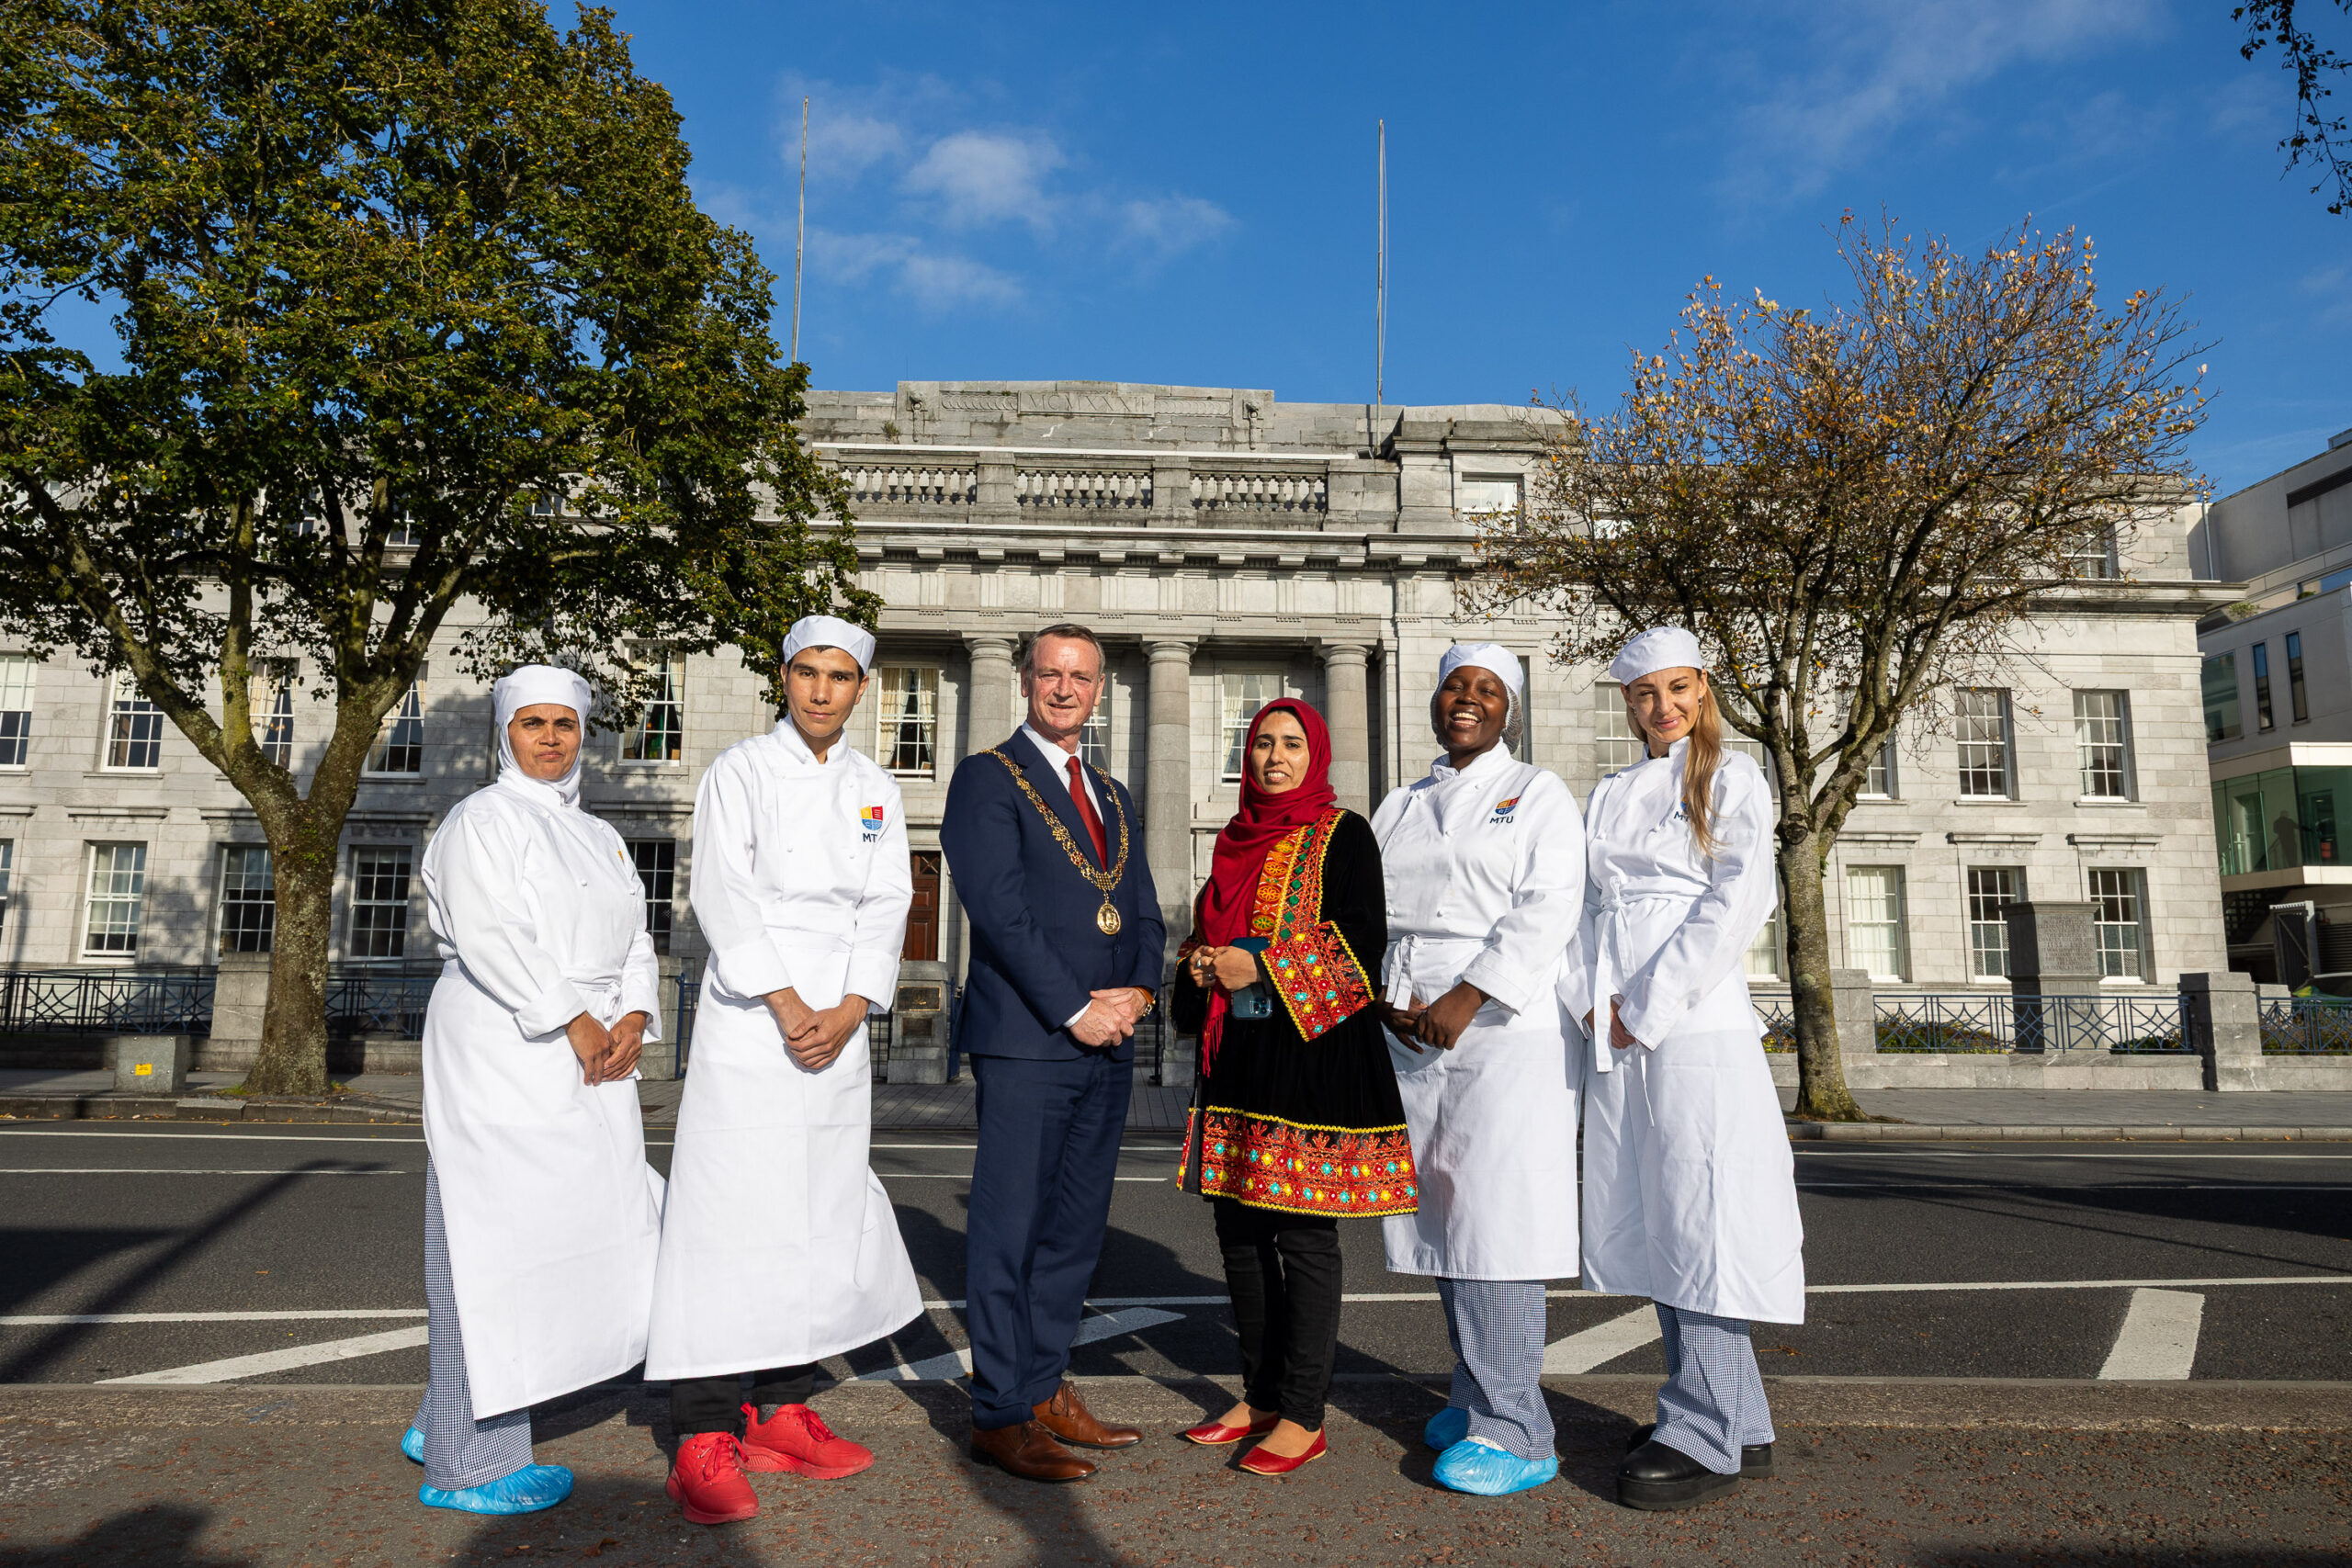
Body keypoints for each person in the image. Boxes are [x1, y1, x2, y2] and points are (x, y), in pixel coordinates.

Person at [647, 615, 920, 1526]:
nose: (819, 690)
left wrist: (849, 1007)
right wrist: (787, 1001)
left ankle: (785, 1404)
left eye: (838, 677)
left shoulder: (876, 787)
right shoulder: (739, 772)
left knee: (818, 1211)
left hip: (836, 1027)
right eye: (805, 673)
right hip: (754, 1020)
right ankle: (702, 1430)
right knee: (727, 1218)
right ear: (784, 677)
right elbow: (721, 889)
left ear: (859, 689)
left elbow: (889, 901)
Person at [405, 665, 665, 1516]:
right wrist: (573, 1019)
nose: (551, 738)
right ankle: (467, 1459)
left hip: (589, 1054)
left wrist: (631, 1015)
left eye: (564, 723)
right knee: (490, 1241)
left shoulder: (599, 835)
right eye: (533, 723)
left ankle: (442, 1414)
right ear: (505, 732)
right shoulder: (480, 820)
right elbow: (490, 935)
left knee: (579, 1233)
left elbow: (636, 935)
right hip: (504, 1045)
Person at [1571, 626, 1804, 1512]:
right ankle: (1739, 1419)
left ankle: (1700, 1425)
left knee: (1704, 1212)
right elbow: (1586, 907)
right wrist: (1589, 999)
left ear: (1703, 690)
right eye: (1643, 693)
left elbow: (1736, 899)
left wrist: (1648, 1003)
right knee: (1663, 1213)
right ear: (1626, 702)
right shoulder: (1609, 792)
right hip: (1619, 1026)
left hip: (1693, 1021)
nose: (1662, 707)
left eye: (1678, 689)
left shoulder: (1733, 776)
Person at [940, 623, 1164, 1483]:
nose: (1064, 688)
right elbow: (998, 911)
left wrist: (1139, 993)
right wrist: (1076, 1007)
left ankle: (1041, 1386)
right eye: (1050, 674)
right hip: (1030, 1040)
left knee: (1073, 1233)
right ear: (1026, 680)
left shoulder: (1109, 790)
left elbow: (1142, 906)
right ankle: (998, 1412)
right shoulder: (986, 778)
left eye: (1080, 677)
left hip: (1106, 1040)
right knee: (1010, 1230)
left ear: (1099, 689)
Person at [1171, 699, 1412, 1477]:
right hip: (1238, 1059)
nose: (1276, 757)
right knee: (1239, 1236)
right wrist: (1200, 964)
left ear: (1318, 754)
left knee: (1302, 1238)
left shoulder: (1344, 834)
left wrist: (1260, 965)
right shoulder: (1235, 841)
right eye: (1263, 744)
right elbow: (1204, 937)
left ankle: (1304, 1413)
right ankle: (1261, 1394)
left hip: (1308, 1062)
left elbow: (1359, 948)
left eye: (1291, 744)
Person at [1372, 643, 1586, 1497]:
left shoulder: (1537, 793)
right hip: (1409, 1028)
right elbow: (1371, 911)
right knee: (1448, 1216)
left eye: (1488, 691)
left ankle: (1520, 1429)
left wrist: (1467, 996)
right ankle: (1474, 1393)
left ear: (1512, 710)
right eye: (1456, 686)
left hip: (1501, 1028)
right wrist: (1388, 1000)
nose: (1468, 700)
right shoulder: (1402, 801)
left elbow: (1549, 906)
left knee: (1496, 1222)